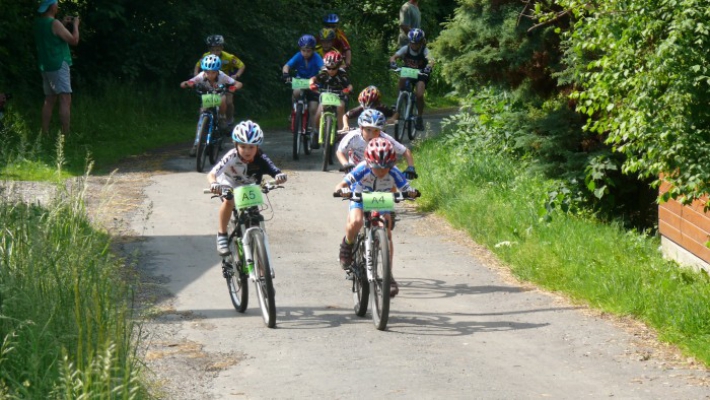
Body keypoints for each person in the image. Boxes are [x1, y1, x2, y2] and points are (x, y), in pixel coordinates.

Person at [334, 138, 418, 297]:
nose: (381, 171)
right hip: (359, 194)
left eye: (386, 167)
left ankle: (388, 275)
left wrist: (411, 192)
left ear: (392, 164)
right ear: (369, 162)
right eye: (377, 167)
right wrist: (341, 190)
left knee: (387, 228)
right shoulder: (362, 168)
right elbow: (343, 184)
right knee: (356, 221)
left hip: (380, 197)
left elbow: (406, 187)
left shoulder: (393, 171)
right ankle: (347, 244)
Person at [208, 120, 287, 256]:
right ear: (236, 145)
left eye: (251, 147)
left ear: (257, 147)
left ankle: (261, 257)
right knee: (229, 201)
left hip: (249, 187)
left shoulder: (261, 157)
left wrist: (279, 176)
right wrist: (214, 184)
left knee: (254, 215)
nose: (247, 151)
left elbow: (275, 170)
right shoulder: (231, 156)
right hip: (229, 183)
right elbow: (212, 174)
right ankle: (221, 235)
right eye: (243, 146)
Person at [181, 54, 243, 156]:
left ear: (218, 71)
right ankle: (196, 144)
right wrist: (187, 83)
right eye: (207, 72)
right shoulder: (201, 76)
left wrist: (234, 87)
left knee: (222, 99)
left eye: (213, 72)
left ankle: (222, 118)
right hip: (208, 97)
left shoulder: (222, 76)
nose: (210, 75)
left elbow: (238, 83)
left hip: (219, 95)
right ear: (204, 71)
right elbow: (189, 82)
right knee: (202, 115)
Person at [34, 0, 80, 135]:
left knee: (49, 99)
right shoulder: (54, 23)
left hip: (45, 65)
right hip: (58, 64)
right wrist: (76, 25)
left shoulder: (38, 23)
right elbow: (74, 40)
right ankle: (66, 136)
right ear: (53, 7)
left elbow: (51, 36)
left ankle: (45, 132)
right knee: (65, 99)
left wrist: (63, 24)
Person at [337, 109, 417, 180]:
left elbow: (405, 151)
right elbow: (340, 152)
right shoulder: (353, 136)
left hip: (377, 171)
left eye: (376, 130)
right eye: (368, 130)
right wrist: (346, 164)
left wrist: (411, 168)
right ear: (361, 128)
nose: (372, 134)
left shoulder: (384, 138)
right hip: (355, 170)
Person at [193, 35, 245, 127]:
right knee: (205, 103)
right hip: (211, 81)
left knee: (228, 102)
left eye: (217, 50)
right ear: (209, 49)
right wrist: (196, 75)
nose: (215, 52)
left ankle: (228, 120)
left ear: (222, 48)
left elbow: (241, 66)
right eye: (212, 50)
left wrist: (236, 75)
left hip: (225, 81)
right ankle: (205, 122)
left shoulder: (229, 57)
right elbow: (197, 65)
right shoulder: (206, 56)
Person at [389, 28, 433, 131]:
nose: (414, 45)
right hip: (408, 71)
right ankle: (399, 100)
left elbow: (431, 60)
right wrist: (393, 62)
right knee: (402, 78)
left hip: (421, 73)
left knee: (419, 95)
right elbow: (393, 57)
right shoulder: (406, 48)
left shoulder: (425, 50)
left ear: (421, 42)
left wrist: (429, 67)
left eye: (416, 43)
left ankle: (419, 117)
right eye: (412, 43)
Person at [309, 51, 353, 149]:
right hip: (325, 94)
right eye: (329, 68)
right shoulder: (323, 72)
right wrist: (311, 84)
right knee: (319, 111)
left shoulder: (342, 74)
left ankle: (341, 132)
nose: (331, 70)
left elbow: (349, 85)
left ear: (338, 66)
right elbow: (313, 79)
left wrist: (348, 90)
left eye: (334, 68)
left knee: (341, 107)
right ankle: (315, 132)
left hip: (339, 95)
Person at [283, 34, 324, 138]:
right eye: (303, 50)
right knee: (296, 92)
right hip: (300, 82)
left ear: (313, 50)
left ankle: (314, 130)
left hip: (313, 83)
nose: (305, 53)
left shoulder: (316, 57)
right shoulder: (298, 56)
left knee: (313, 108)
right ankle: (294, 111)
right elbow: (287, 65)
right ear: (300, 49)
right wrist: (286, 73)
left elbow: (323, 68)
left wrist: (321, 75)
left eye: (308, 50)